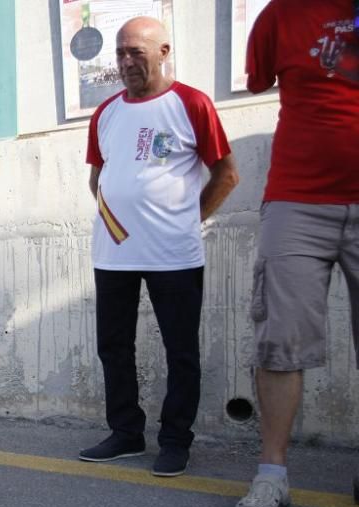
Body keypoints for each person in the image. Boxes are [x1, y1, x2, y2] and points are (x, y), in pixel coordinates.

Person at [78, 17, 239, 476]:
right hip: (113, 254)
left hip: (174, 255)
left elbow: (227, 174)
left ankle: (175, 440)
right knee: (114, 346)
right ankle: (126, 432)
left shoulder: (192, 103)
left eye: (137, 52)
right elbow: (98, 177)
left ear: (164, 51)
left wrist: (187, 220)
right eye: (121, 53)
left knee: (180, 350)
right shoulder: (105, 113)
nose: (127, 62)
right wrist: (117, 219)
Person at [235, 0, 359, 507]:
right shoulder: (280, 15)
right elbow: (260, 81)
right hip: (297, 198)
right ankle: (272, 475)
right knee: (280, 339)